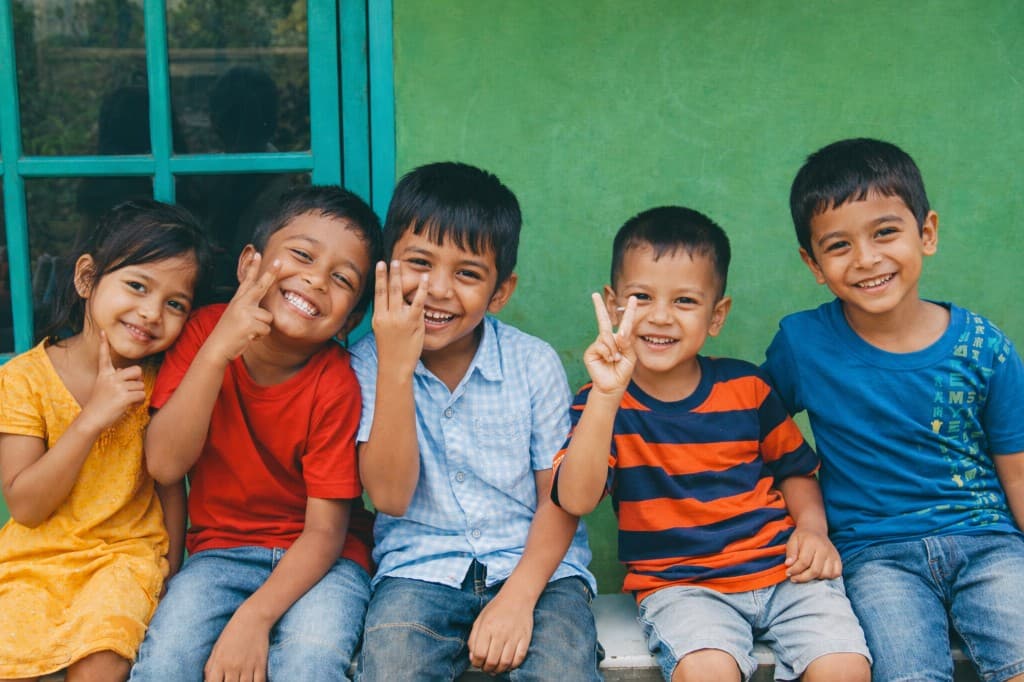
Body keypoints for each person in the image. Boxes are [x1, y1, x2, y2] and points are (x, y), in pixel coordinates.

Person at [553, 206, 871, 682]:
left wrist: (812, 529)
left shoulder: (747, 388)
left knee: (844, 669)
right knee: (707, 673)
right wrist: (605, 395)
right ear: (613, 303)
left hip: (786, 574)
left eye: (684, 301)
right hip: (682, 587)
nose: (660, 317)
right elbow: (575, 498)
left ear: (716, 315)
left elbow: (793, 470)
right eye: (641, 297)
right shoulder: (599, 403)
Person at [763, 137, 1024, 682]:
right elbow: (752, 434)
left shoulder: (984, 346)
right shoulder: (803, 343)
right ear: (813, 264)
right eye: (838, 246)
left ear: (926, 233)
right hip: (875, 555)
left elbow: (1016, 470)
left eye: (885, 232)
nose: (867, 259)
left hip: (989, 541)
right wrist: (803, 523)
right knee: (907, 672)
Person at [352, 161, 600, 681]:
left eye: (467, 273)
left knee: (561, 671)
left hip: (538, 570)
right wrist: (397, 368)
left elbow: (558, 500)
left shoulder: (532, 362)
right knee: (392, 667)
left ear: (500, 291)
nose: (438, 290)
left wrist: (517, 600)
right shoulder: (368, 362)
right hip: (418, 571)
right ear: (387, 266)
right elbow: (390, 498)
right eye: (419, 263)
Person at [129, 186, 382, 682]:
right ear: (250, 264)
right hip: (218, 553)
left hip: (325, 562)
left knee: (310, 661)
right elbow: (163, 464)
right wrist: (218, 352)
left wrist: (254, 618)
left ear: (351, 318)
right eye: (303, 255)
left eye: (341, 278)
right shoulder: (203, 333)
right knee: (165, 662)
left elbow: (325, 533)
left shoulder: (336, 383)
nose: (314, 279)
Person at [0, 200, 210, 681]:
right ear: (86, 279)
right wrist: (92, 418)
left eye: (175, 303)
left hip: (126, 557)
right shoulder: (24, 379)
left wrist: (172, 580)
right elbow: (26, 507)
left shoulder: (163, 382)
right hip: (35, 559)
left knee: (102, 654)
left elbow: (169, 486)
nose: (151, 312)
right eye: (136, 286)